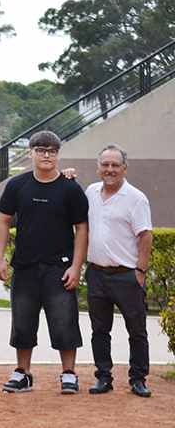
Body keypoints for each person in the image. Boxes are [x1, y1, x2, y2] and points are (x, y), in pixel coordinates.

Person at [0, 130, 88, 395]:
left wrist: (76, 266)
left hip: (60, 269)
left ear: (58, 155)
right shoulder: (17, 185)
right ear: (31, 153)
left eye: (52, 151)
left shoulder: (70, 188)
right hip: (24, 267)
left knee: (64, 323)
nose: (47, 155)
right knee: (22, 324)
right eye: (41, 150)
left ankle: (69, 374)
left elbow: (82, 228)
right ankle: (23, 373)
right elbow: (2, 221)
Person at [67, 145, 153, 397]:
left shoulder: (136, 198)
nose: (110, 169)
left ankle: (138, 379)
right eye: (105, 165)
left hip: (127, 276)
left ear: (125, 168)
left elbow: (146, 235)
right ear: (98, 168)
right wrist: (68, 176)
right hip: (97, 274)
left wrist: (140, 271)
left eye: (115, 165)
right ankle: (103, 377)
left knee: (136, 331)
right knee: (99, 330)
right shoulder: (91, 192)